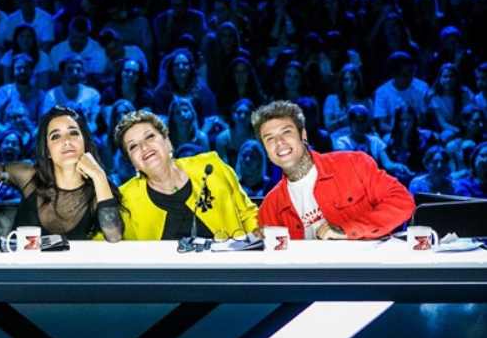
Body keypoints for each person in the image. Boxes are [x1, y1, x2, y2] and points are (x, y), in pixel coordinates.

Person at [253, 100, 415, 240]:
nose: (279, 142)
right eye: (270, 139)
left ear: (303, 135)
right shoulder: (270, 207)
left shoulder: (354, 164)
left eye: (286, 132)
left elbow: (402, 202)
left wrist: (348, 229)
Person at [0, 106, 123, 241]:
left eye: (73, 133)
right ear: (47, 151)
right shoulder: (29, 175)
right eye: (56, 136)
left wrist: (99, 175)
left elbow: (114, 236)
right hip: (20, 260)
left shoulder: (99, 187)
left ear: (84, 142)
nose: (67, 141)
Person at [114, 110, 259, 240]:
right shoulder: (125, 199)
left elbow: (248, 215)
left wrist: (256, 246)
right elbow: (108, 243)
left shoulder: (211, 166)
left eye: (149, 137)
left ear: (167, 141)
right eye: (133, 146)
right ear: (132, 161)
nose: (144, 147)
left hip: (228, 260)